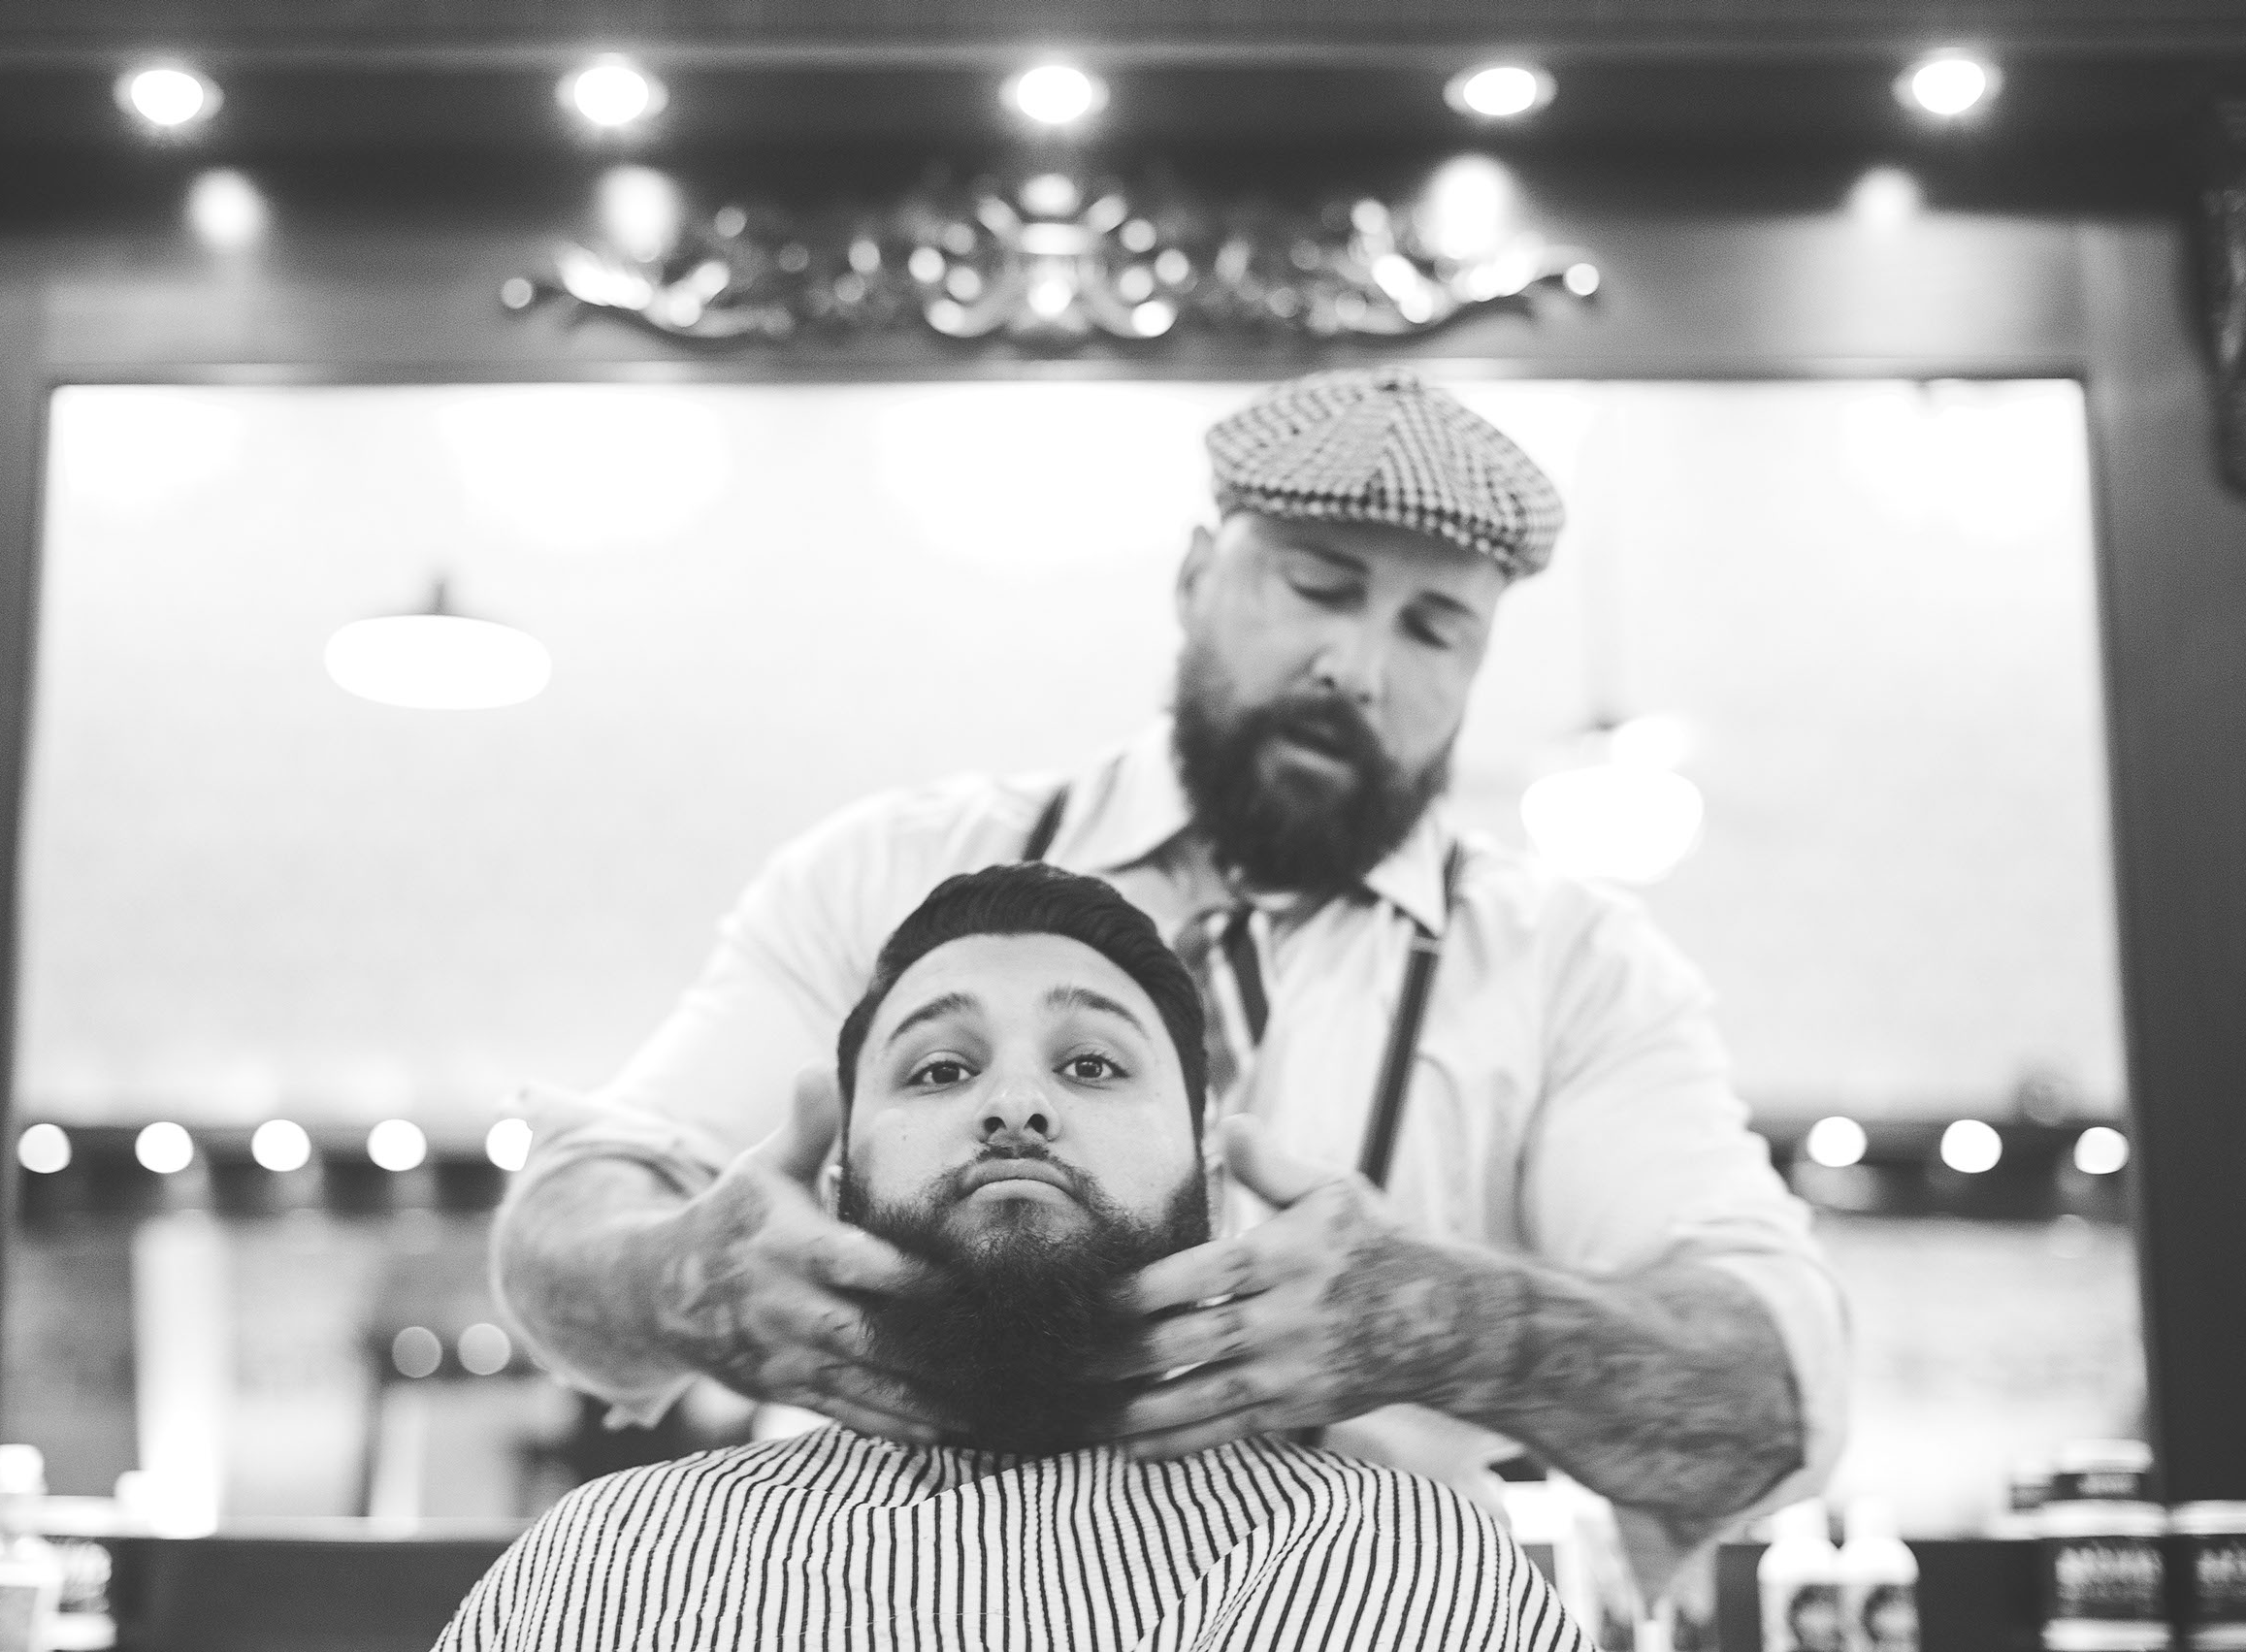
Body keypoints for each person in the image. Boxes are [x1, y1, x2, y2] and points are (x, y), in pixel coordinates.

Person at [495, 365, 1846, 1588]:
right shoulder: (888, 872)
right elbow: (563, 1232)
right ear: (1197, 575)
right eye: (1319, 585)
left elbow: (1775, 1406)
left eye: (1434, 627)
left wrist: (1453, 1323)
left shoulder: (1572, 971)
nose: (1356, 667)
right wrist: (678, 1273)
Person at [437, 865, 1599, 1652]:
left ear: (1208, 1172)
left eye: (1092, 1063)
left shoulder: (1399, 1563)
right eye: (939, 1068)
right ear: (837, 1179)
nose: (1014, 1104)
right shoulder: (623, 1564)